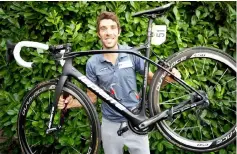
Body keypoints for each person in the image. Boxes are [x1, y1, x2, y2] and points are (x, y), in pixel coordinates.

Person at [58, 11, 181, 154]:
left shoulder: (131, 53)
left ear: (119, 31)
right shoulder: (92, 63)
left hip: (136, 123)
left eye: (112, 27)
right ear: (98, 34)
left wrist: (165, 79)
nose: (108, 32)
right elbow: (91, 98)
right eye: (103, 29)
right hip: (110, 125)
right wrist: (71, 103)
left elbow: (152, 82)